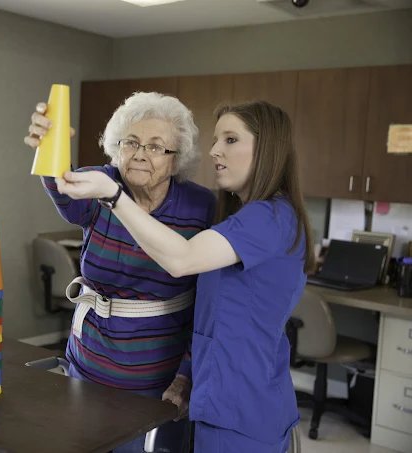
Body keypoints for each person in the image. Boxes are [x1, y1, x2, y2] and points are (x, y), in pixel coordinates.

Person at [52, 100, 315, 453]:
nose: (215, 150)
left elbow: (181, 259)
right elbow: (204, 310)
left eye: (230, 139)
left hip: (241, 400)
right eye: (216, 139)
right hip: (214, 393)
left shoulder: (269, 218)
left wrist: (113, 196)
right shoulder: (241, 217)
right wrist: (52, 152)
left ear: (268, 149)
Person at [25, 92, 216, 452]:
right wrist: (49, 144)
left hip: (155, 382)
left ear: (177, 159)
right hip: (86, 366)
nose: (140, 153)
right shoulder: (103, 183)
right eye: (131, 142)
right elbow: (63, 185)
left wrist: (185, 376)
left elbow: (204, 302)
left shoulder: (199, 206)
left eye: (156, 146)